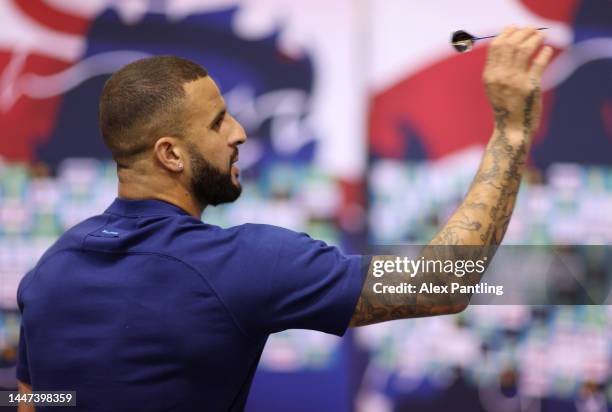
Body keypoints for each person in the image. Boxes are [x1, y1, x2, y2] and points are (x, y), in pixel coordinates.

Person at [16, 26, 553, 411]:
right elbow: (442, 281)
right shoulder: (241, 265)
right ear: (171, 154)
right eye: (218, 121)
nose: (239, 134)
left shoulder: (50, 271)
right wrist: (510, 130)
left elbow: (34, 402)